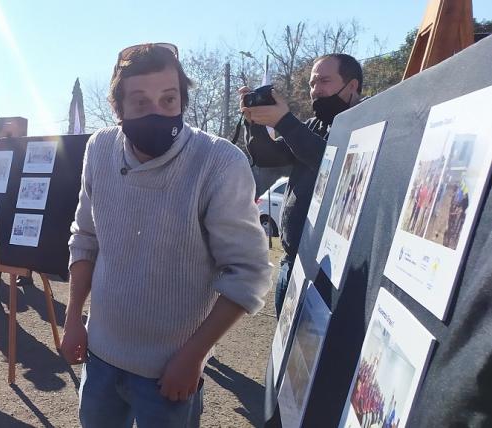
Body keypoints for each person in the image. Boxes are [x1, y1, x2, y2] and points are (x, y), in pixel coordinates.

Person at [60, 43, 270, 427]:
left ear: (183, 101)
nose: (156, 111)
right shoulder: (99, 148)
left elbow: (249, 273)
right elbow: (85, 236)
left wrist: (193, 358)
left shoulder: (219, 162)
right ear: (118, 108)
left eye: (168, 99)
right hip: (101, 356)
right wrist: (75, 318)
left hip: (170, 370)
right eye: (140, 102)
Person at [240, 53, 363, 315]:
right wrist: (256, 124)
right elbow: (268, 156)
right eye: (312, 83)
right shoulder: (314, 126)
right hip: (292, 263)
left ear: (352, 85)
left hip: (330, 272)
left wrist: (284, 121)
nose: (315, 91)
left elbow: (330, 163)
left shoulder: (365, 125)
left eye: (324, 81)